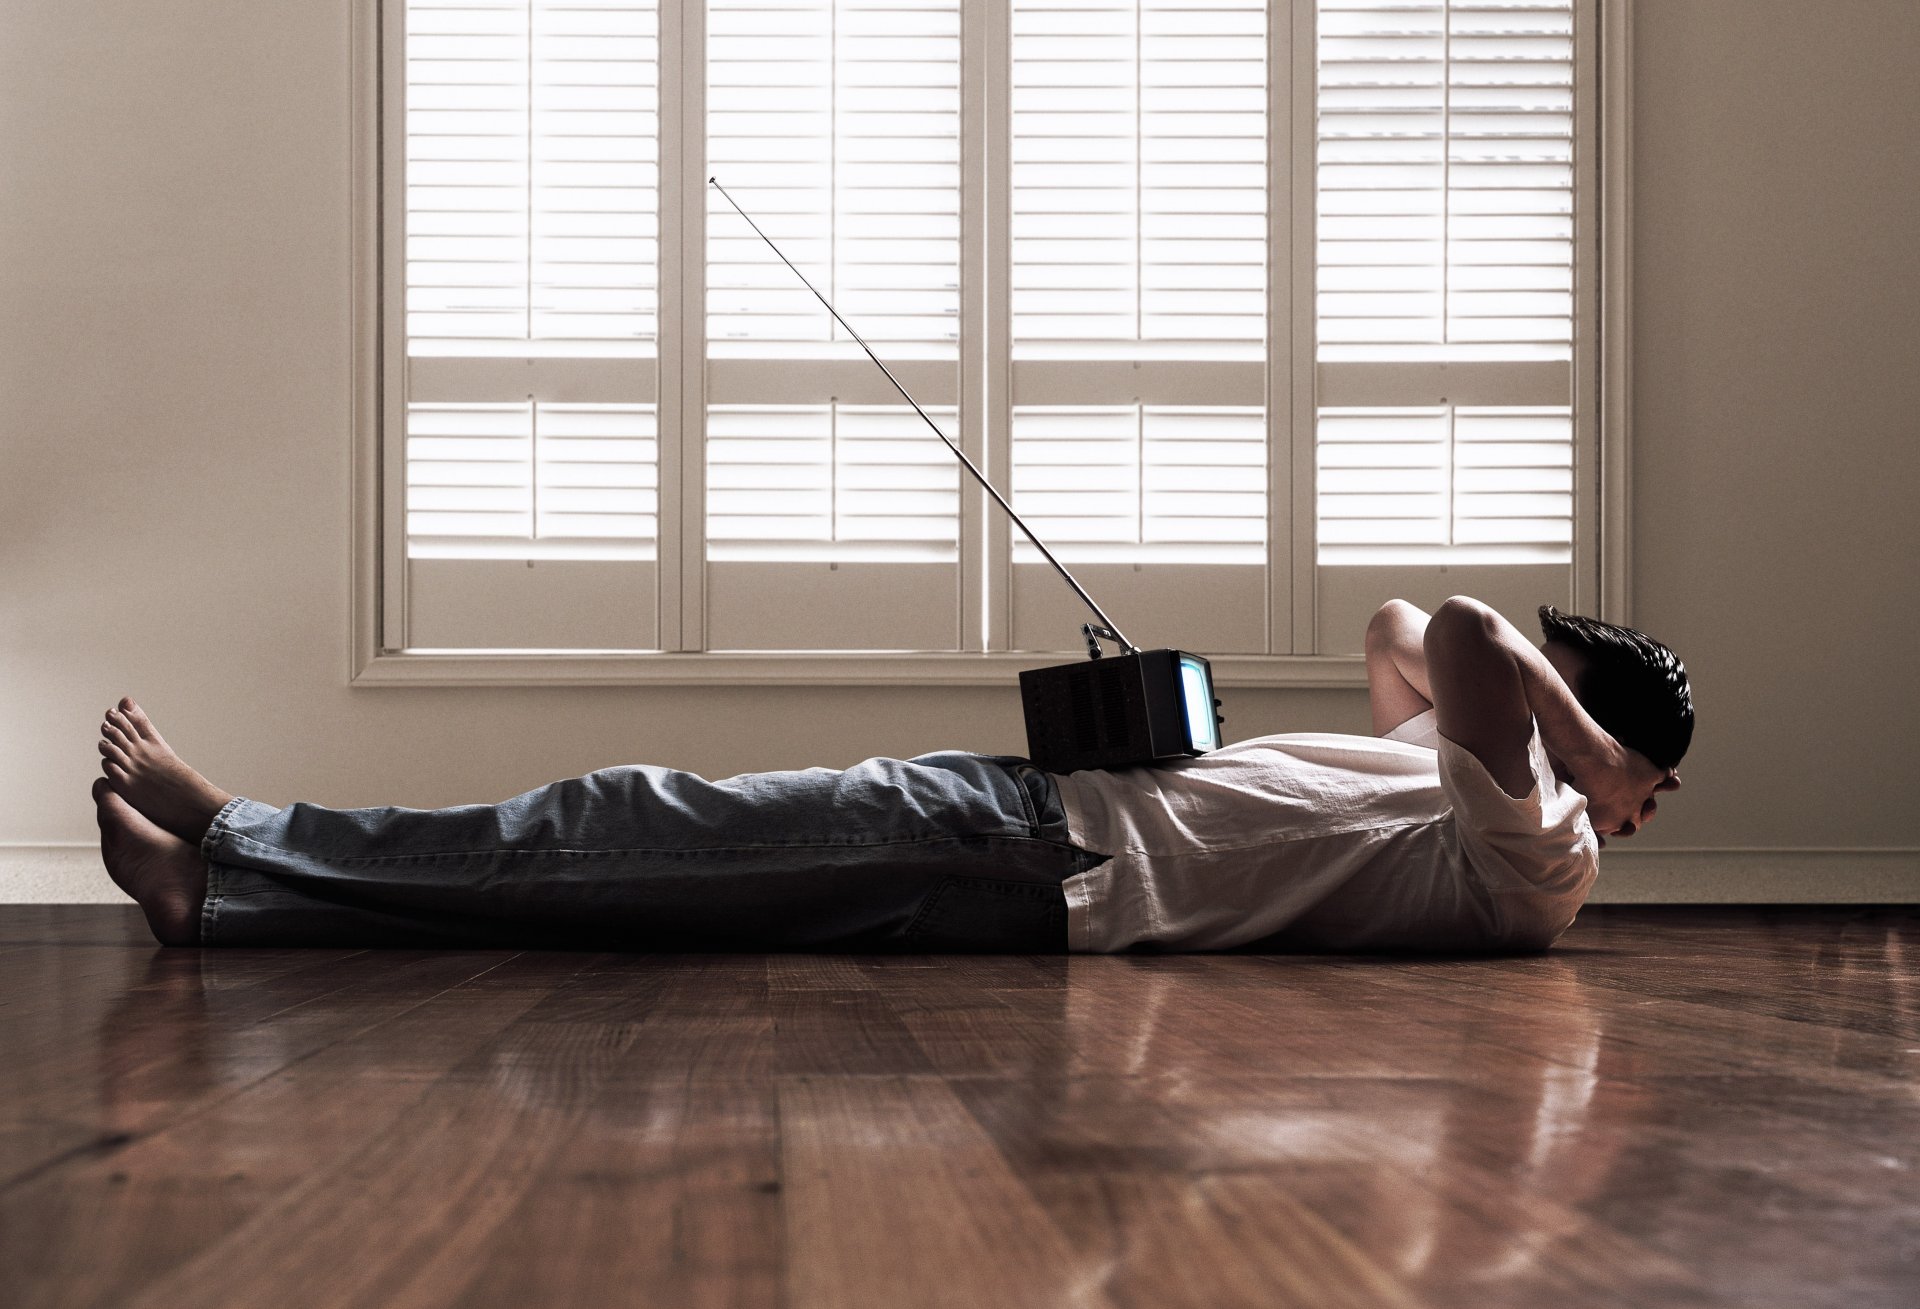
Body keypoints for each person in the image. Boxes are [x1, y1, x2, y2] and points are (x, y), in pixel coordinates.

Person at [92, 596, 1690, 954]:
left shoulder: (1540, 848)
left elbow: (1474, 638)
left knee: (632, 831)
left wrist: (1600, 754)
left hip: (1041, 859)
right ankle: (228, 890)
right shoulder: (1467, 765)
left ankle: (236, 839)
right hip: (1030, 828)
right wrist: (1586, 724)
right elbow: (1413, 630)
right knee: (640, 873)